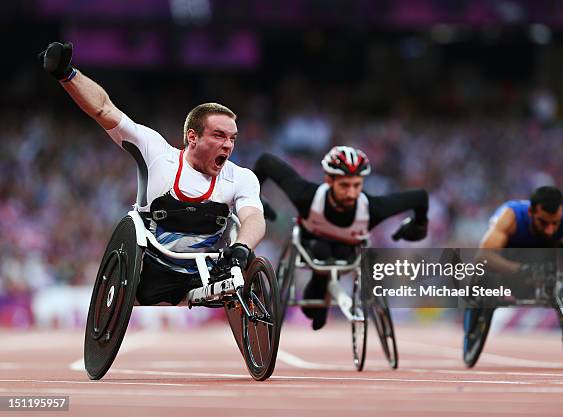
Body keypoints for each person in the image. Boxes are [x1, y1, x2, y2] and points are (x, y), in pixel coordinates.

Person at [39, 41, 266, 306]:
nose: (228, 144)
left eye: (232, 138)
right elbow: (104, 108)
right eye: (219, 135)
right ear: (192, 137)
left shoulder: (241, 177)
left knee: (245, 256)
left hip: (207, 274)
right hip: (150, 272)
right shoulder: (157, 152)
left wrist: (241, 247)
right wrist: (67, 75)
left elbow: (254, 218)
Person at [253, 146, 429, 329]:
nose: (351, 193)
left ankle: (321, 299)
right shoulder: (307, 196)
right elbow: (266, 162)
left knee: (331, 257)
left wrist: (418, 227)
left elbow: (420, 197)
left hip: (346, 252)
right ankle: (320, 299)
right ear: (329, 180)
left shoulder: (372, 209)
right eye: (344, 185)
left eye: (357, 185)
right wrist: (255, 199)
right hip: (312, 248)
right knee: (321, 253)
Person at [465, 185, 563, 360]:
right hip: (511, 260)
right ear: (531, 212)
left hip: (549, 257)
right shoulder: (510, 216)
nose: (550, 229)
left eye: (555, 223)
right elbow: (482, 256)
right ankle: (470, 327)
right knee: (482, 271)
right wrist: (520, 270)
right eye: (544, 222)